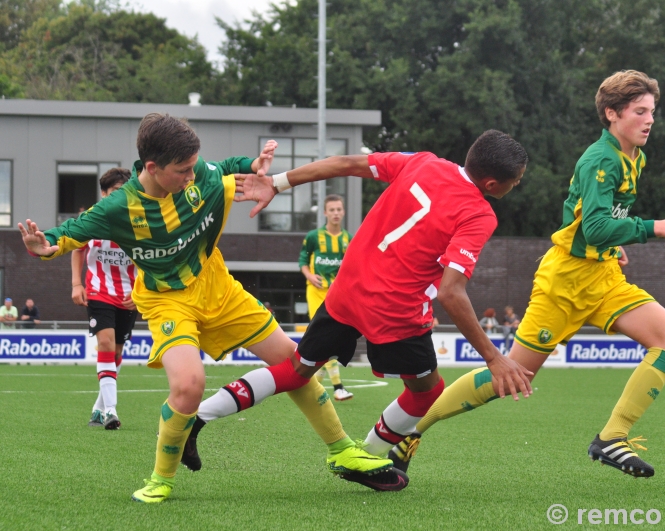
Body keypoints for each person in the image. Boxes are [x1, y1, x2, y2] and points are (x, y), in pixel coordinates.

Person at [19, 113, 392, 504]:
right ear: (152, 168)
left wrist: (253, 165)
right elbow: (69, 232)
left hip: (219, 288)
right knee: (188, 386)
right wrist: (44, 245)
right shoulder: (118, 208)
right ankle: (161, 479)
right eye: (183, 170)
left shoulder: (201, 178)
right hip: (167, 300)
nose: (192, 176)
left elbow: (225, 167)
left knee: (296, 364)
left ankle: (341, 450)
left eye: (194, 166)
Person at [388, 70, 665, 479]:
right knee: (510, 376)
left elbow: (590, 220)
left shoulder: (635, 157)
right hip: (564, 283)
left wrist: (611, 243)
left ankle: (612, 437)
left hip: (603, 276)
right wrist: (652, 227)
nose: (650, 120)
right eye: (640, 111)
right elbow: (594, 226)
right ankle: (412, 430)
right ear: (612, 113)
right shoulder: (600, 160)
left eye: (652, 112)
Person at [189, 129, 533, 491]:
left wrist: (277, 182)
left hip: (346, 291)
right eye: (517, 182)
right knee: (427, 391)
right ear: (493, 184)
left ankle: (196, 420)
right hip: (394, 312)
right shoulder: (480, 214)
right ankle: (367, 457)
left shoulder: (423, 161)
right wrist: (494, 358)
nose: (516, 187)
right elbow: (451, 292)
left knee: (295, 371)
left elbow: (346, 163)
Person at [71, 168, 138, 430]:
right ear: (103, 194)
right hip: (98, 291)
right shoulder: (90, 218)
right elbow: (76, 250)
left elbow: (149, 258)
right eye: (113, 193)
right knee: (106, 343)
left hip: (130, 296)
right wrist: (77, 284)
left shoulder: (139, 219)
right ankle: (111, 410)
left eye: (123, 193)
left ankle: (99, 409)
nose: (118, 197)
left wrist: (141, 291)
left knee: (117, 350)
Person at [299, 194, 354, 401]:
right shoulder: (314, 236)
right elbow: (303, 260)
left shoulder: (348, 238)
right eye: (332, 210)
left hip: (336, 294)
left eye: (339, 209)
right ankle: (338, 387)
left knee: (330, 337)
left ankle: (314, 385)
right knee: (324, 334)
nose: (336, 213)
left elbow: (351, 266)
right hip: (316, 292)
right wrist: (309, 275)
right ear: (325, 213)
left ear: (343, 212)